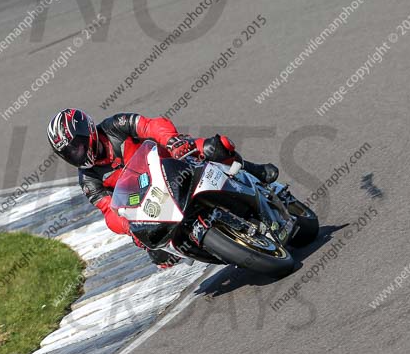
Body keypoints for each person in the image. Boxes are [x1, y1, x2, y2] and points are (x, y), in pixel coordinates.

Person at [47, 109, 279, 268]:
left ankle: (253, 170)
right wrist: (131, 229)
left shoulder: (115, 126)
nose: (75, 154)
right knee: (159, 254)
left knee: (217, 146)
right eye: (67, 152)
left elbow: (151, 126)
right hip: (152, 205)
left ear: (87, 131)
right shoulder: (88, 179)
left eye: (76, 145)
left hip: (176, 164)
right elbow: (109, 211)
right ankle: (215, 246)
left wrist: (171, 141)